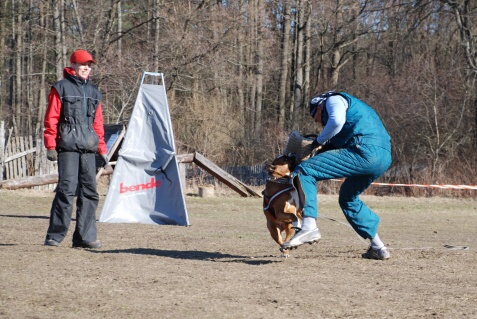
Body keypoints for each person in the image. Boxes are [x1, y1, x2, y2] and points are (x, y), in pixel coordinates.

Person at [282, 91, 392, 260]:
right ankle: (378, 247)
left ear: (319, 106)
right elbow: (337, 138)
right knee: (348, 199)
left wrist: (317, 142)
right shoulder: (356, 112)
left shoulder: (334, 100)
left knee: (304, 172)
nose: (318, 122)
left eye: (316, 116)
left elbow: (336, 121)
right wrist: (320, 148)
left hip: (364, 151)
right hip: (383, 157)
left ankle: (309, 226)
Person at [43, 49, 108, 249]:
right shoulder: (61, 88)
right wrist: (50, 144)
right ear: (73, 65)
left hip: (89, 149)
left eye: (89, 65)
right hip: (68, 148)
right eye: (82, 64)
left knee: (90, 193)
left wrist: (102, 149)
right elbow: (51, 118)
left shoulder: (94, 92)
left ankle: (84, 237)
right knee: (66, 190)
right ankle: (55, 235)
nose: (86, 68)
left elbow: (98, 124)